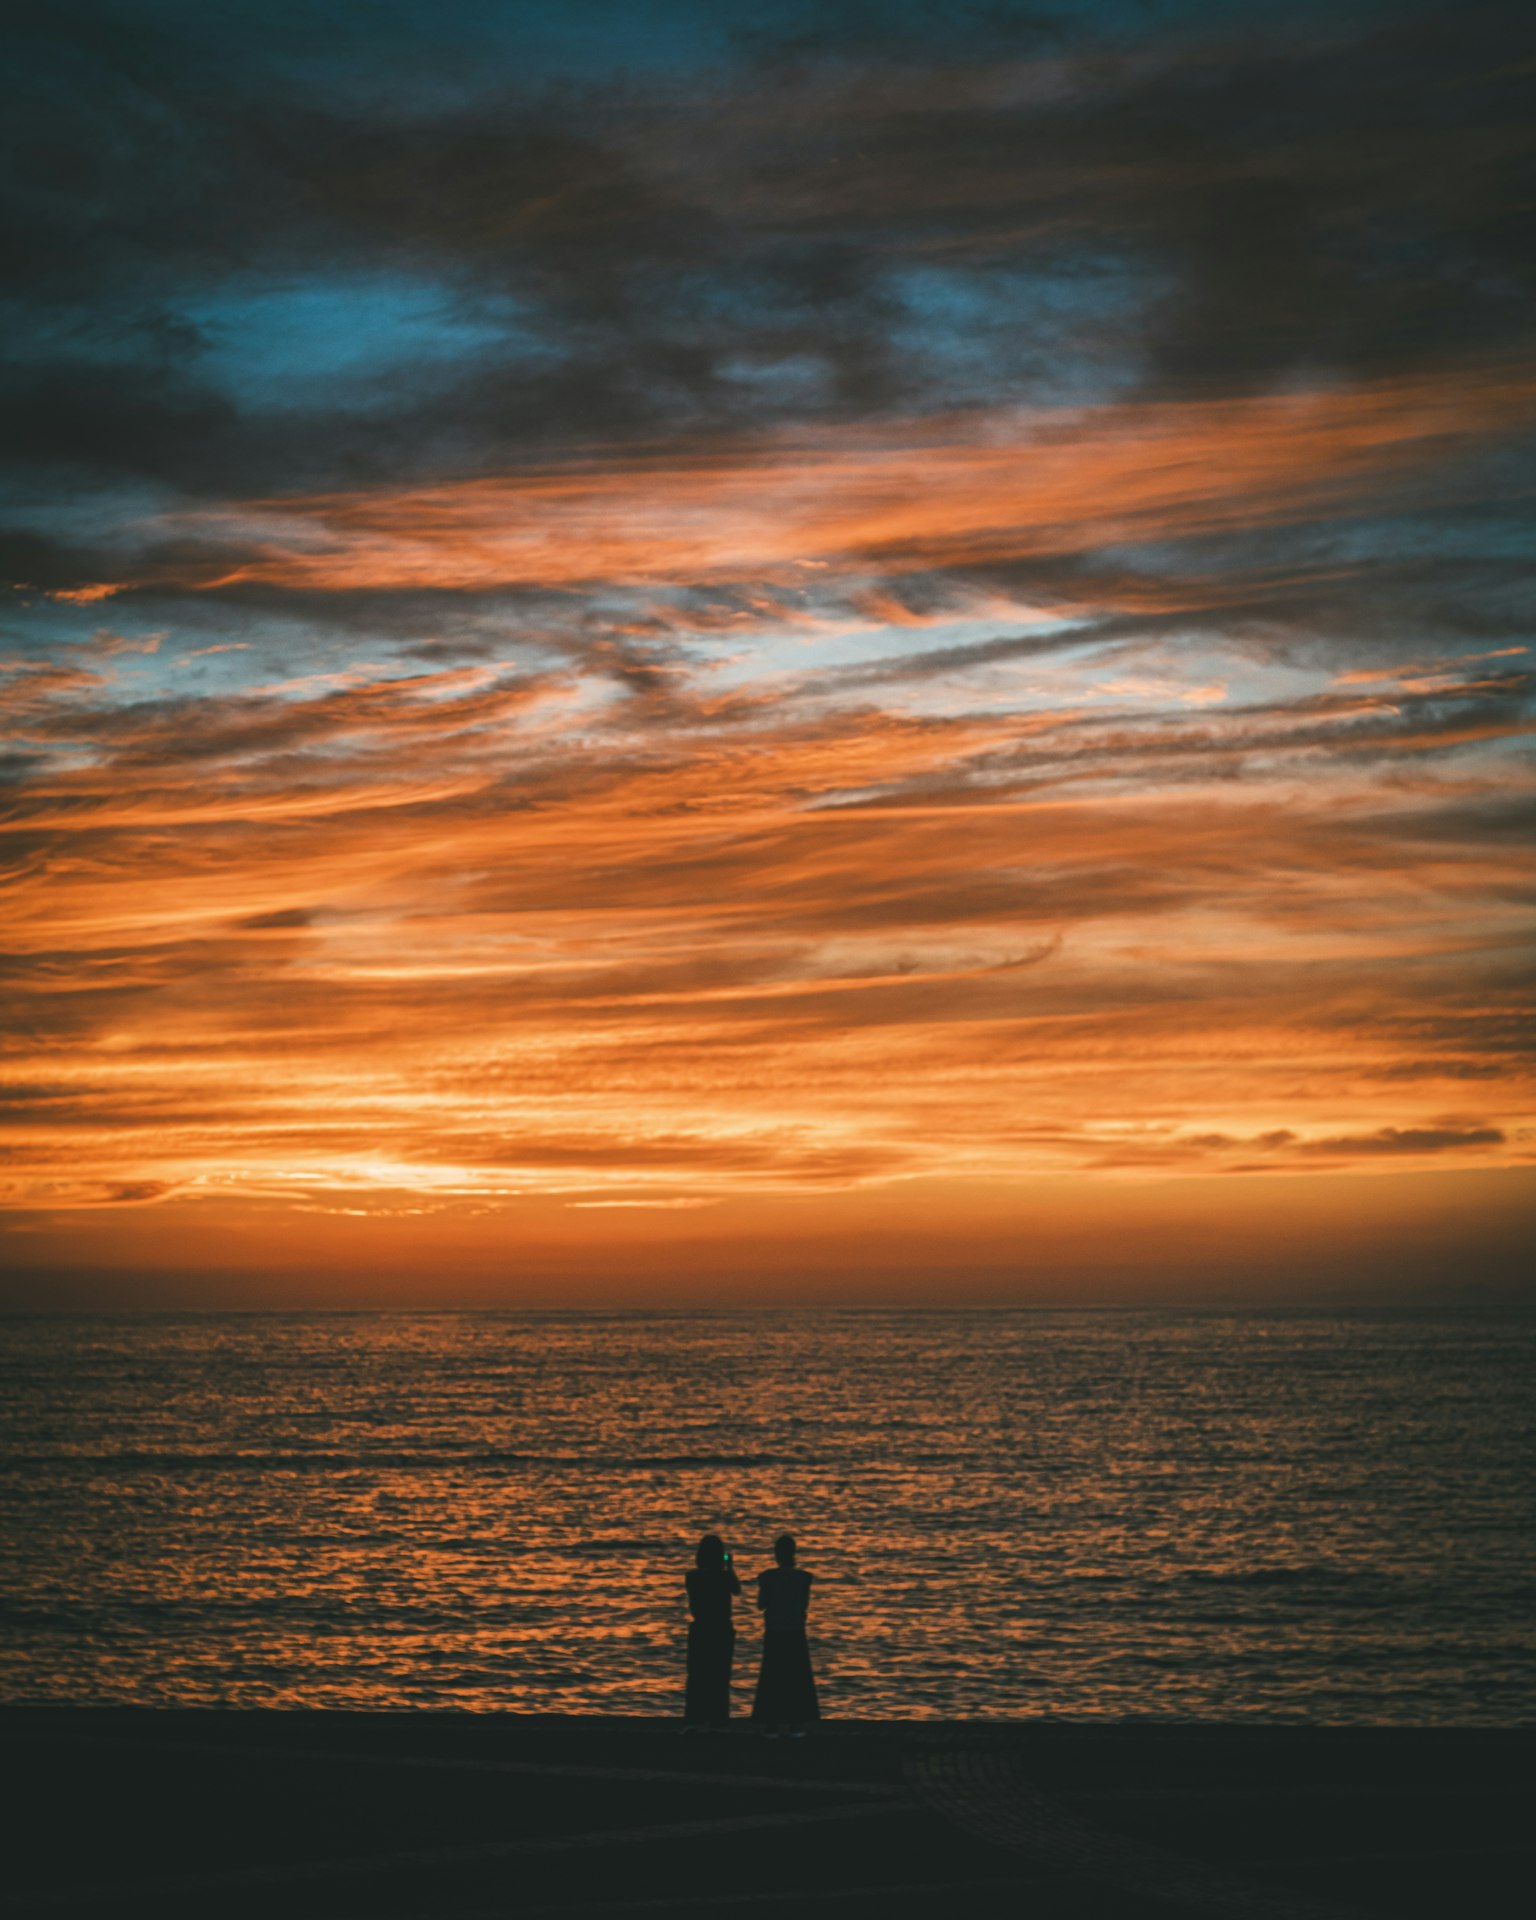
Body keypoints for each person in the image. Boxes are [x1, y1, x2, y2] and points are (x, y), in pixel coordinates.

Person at [751, 1532, 819, 1737]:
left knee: (773, 1679)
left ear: (776, 1555)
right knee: (796, 1679)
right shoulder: (804, 1578)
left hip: (775, 1632)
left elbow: (761, 1604)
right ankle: (795, 1724)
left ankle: (771, 1724)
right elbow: (803, 1605)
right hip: (795, 1632)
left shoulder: (767, 1577)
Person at [683, 1533, 741, 1730]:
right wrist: (729, 1568)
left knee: (697, 1676)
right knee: (720, 1676)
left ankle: (694, 1719)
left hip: (700, 1628)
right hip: (721, 1629)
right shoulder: (724, 1577)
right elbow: (737, 1589)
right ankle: (719, 1720)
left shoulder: (692, 1577)